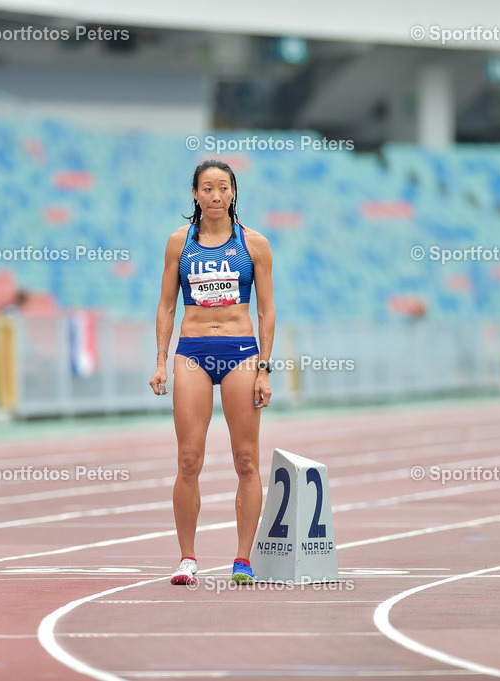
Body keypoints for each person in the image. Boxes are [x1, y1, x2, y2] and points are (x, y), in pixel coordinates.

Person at [149, 159, 275, 586]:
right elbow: (166, 305)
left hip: (240, 352)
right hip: (192, 353)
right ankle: (187, 558)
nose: (216, 195)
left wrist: (264, 369)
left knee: (246, 459)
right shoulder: (179, 242)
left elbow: (267, 310)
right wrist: (161, 360)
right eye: (207, 188)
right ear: (195, 194)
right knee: (189, 458)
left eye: (223, 187)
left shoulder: (254, 244)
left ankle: (242, 560)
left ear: (233, 192)